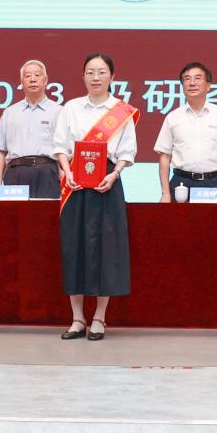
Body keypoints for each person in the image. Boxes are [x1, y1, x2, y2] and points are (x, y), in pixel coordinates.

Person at [52, 53, 137, 340]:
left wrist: (114, 175)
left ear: (112, 76)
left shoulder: (121, 111)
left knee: (106, 249)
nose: (96, 77)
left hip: (106, 182)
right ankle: (77, 318)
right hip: (75, 183)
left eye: (101, 72)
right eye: (90, 72)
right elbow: (60, 146)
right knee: (74, 246)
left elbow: (127, 152)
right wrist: (67, 172)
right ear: (83, 76)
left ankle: (99, 317)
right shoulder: (71, 108)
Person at [154, 61, 217, 201]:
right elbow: (165, 156)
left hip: (214, 183)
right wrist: (165, 193)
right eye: (187, 79)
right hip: (181, 183)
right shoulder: (173, 117)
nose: (192, 83)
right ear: (182, 86)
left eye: (197, 78)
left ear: (208, 85)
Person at [0, 59, 62, 198]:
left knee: (46, 212)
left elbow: (66, 151)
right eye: (28, 76)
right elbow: (0, 152)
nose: (32, 79)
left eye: (37, 75)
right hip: (16, 173)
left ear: (46, 80)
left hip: (48, 174)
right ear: (22, 82)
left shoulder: (59, 111)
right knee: (16, 212)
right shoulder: (10, 113)